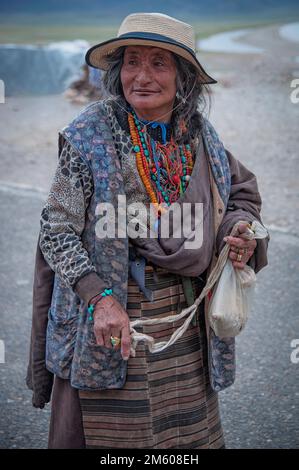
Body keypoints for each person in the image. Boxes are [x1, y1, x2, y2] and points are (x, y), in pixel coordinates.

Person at [26, 12, 269, 449]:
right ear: (117, 72)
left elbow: (240, 197)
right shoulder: (89, 134)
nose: (142, 76)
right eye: (132, 62)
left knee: (183, 438)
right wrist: (99, 297)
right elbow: (56, 228)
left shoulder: (201, 136)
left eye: (159, 63)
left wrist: (239, 231)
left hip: (183, 322)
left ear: (184, 77)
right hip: (109, 321)